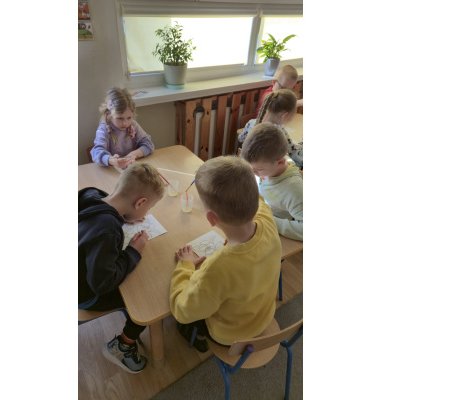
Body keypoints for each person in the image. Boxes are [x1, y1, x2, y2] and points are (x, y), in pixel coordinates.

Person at [169, 156, 282, 352]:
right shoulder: (266, 217)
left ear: (211, 218)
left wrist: (185, 265)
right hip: (264, 315)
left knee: (184, 316)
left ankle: (195, 336)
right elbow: (259, 200)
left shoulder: (218, 268)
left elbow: (181, 309)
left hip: (231, 335)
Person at [78, 162, 166, 373]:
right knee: (148, 299)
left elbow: (95, 227)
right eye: (149, 207)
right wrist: (134, 251)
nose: (147, 212)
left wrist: (123, 218)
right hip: (84, 292)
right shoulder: (107, 229)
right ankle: (122, 347)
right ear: (140, 202)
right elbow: (102, 283)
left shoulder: (92, 195)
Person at [242, 123, 303, 241]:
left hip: (273, 231)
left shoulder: (294, 190)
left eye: (259, 169)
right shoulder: (267, 164)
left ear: (280, 162)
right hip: (258, 212)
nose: (252, 172)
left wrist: (269, 221)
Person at [91, 87, 155, 170]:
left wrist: (132, 155)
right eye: (120, 118)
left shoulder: (133, 125)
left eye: (129, 118)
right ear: (108, 115)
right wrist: (112, 160)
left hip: (131, 169)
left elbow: (149, 145)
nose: (125, 123)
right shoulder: (104, 129)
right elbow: (97, 152)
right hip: (112, 171)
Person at [239, 89, 303, 169]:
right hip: (264, 169)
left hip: (247, 164)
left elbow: (240, 138)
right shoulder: (279, 132)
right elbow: (292, 150)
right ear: (285, 115)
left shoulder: (251, 123)